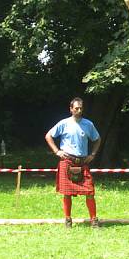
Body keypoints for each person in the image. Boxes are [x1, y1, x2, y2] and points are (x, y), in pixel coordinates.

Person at [45, 97, 102, 228]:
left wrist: (92, 154)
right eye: (76, 108)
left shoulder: (88, 124)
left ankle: (94, 220)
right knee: (67, 193)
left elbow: (97, 139)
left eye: (81, 108)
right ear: (71, 109)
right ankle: (68, 220)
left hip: (82, 162)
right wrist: (57, 151)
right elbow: (48, 136)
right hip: (67, 161)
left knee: (90, 192)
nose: (79, 110)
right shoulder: (63, 123)